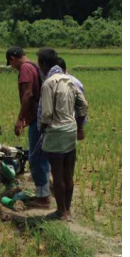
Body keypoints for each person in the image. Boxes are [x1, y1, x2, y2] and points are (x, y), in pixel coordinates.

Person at [37, 48, 89, 221]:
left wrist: (43, 129)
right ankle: (68, 210)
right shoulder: (70, 80)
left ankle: (61, 212)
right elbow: (83, 106)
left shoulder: (48, 83)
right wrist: (79, 127)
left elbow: (46, 114)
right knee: (69, 174)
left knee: (57, 175)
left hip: (56, 132)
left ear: (43, 64)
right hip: (70, 131)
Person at [6, 46, 51, 209]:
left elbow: (28, 94)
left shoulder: (25, 68)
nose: (12, 67)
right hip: (40, 117)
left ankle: (43, 198)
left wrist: (20, 119)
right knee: (42, 156)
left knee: (36, 158)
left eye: (10, 63)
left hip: (37, 119)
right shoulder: (34, 65)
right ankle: (44, 192)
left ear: (12, 59)